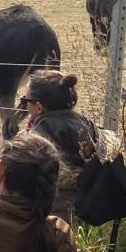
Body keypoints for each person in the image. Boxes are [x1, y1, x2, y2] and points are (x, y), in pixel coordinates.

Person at [20, 70, 100, 224]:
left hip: (53, 206)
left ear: (38, 107)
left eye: (26, 99)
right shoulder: (84, 121)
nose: (24, 103)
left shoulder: (40, 132)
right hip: (86, 202)